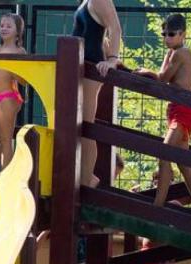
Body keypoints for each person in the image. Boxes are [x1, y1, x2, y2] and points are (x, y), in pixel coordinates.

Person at [135, 13, 191, 220]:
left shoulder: (182, 53)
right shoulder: (172, 52)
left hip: (183, 111)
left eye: (171, 34)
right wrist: (153, 69)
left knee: (164, 154)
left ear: (183, 34)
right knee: (183, 163)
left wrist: (146, 72)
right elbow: (163, 76)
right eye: (164, 34)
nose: (167, 38)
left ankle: (157, 208)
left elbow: (163, 78)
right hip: (176, 109)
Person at [73, 0, 122, 189]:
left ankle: (88, 179)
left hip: (91, 68)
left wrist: (112, 60)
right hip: (79, 67)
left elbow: (115, 28)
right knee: (79, 126)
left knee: (86, 125)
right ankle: (84, 177)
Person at [0, 14, 27, 168]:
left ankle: (6, 177)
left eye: (8, 26)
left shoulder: (20, 52)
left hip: (9, 98)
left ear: (17, 32)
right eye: (2, 25)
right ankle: (11, 168)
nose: (4, 28)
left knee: (5, 140)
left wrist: (14, 71)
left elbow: (24, 81)